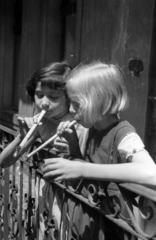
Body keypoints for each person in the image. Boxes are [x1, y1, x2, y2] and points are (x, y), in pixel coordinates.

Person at [42, 61, 156, 240]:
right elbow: (87, 175)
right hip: (90, 222)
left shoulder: (123, 134)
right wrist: (73, 144)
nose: (71, 110)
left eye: (77, 104)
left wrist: (82, 169)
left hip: (113, 229)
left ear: (97, 102)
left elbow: (151, 173)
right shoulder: (93, 130)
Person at [0, 61, 88, 240]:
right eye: (39, 95)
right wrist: (21, 136)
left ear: (69, 97)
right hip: (48, 198)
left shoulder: (81, 124)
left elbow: (88, 173)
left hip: (75, 203)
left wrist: (72, 149)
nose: (44, 103)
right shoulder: (41, 122)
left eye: (53, 97)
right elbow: (4, 161)